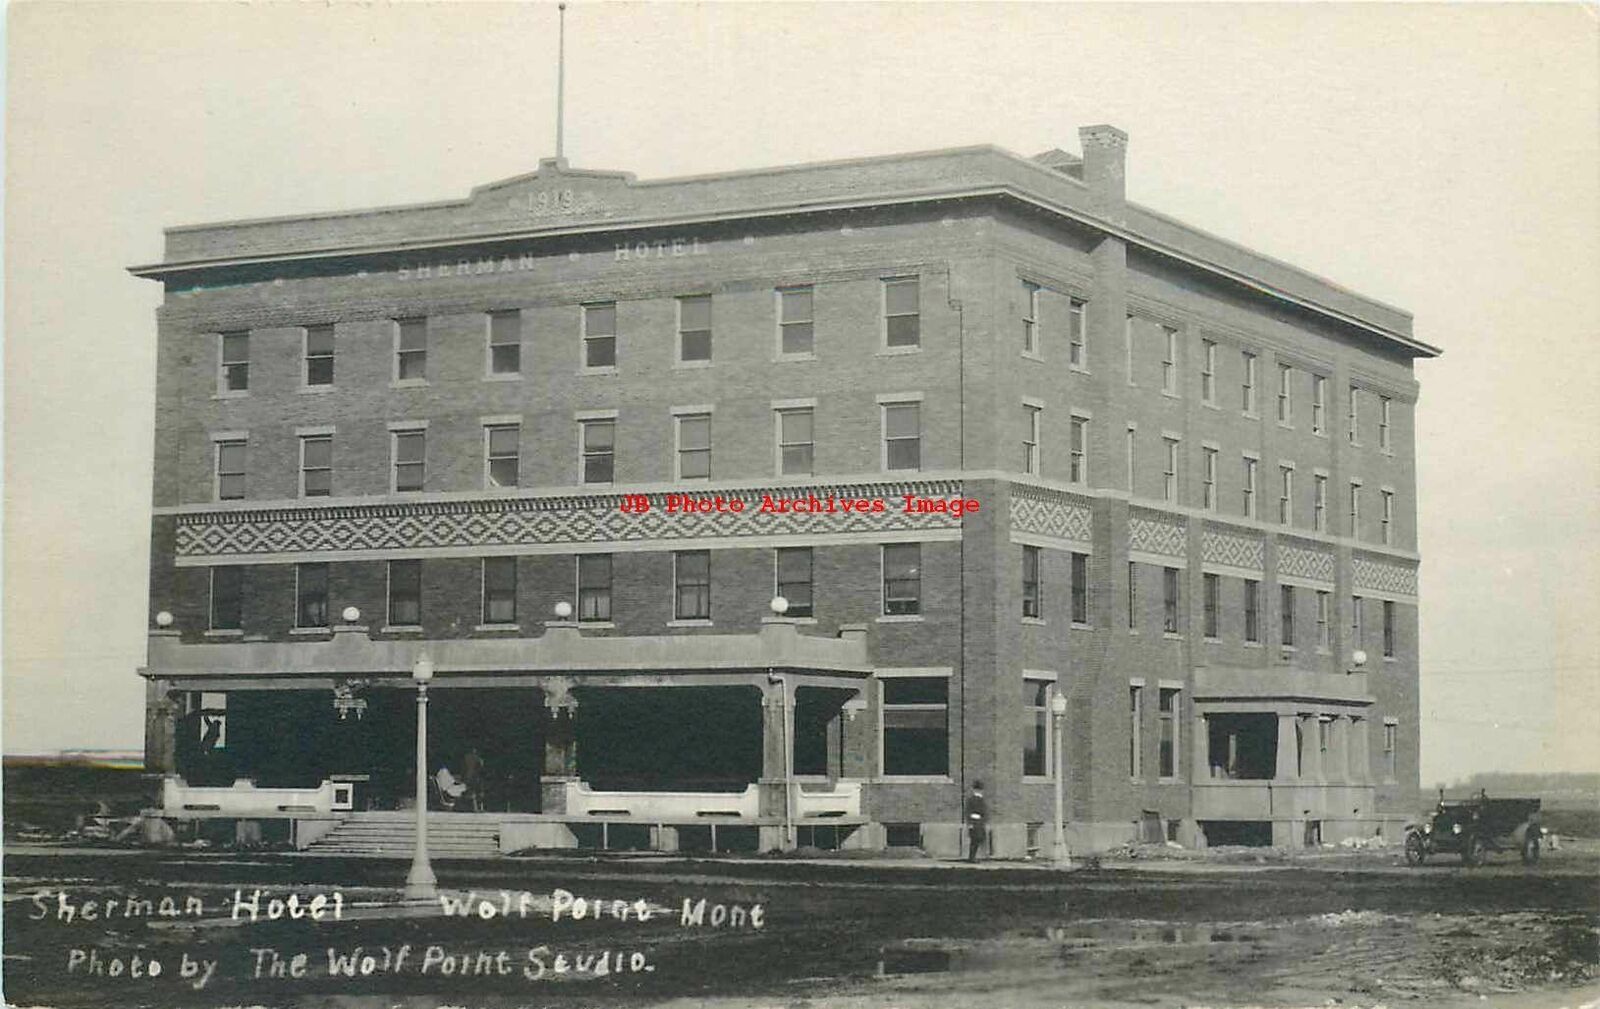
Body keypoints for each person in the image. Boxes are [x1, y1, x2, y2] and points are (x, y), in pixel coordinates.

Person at [965, 780, 988, 863]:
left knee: (978, 839)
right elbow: (968, 812)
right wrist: (970, 823)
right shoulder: (972, 800)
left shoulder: (981, 799)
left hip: (980, 822)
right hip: (974, 822)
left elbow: (984, 812)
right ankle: (972, 857)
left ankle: (974, 856)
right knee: (974, 840)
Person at [462, 747, 485, 812]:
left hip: (468, 777)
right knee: (477, 793)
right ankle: (479, 808)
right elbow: (481, 769)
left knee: (471, 792)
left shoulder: (466, 757)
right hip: (475, 778)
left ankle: (474, 808)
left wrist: (463, 777)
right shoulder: (478, 759)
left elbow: (463, 768)